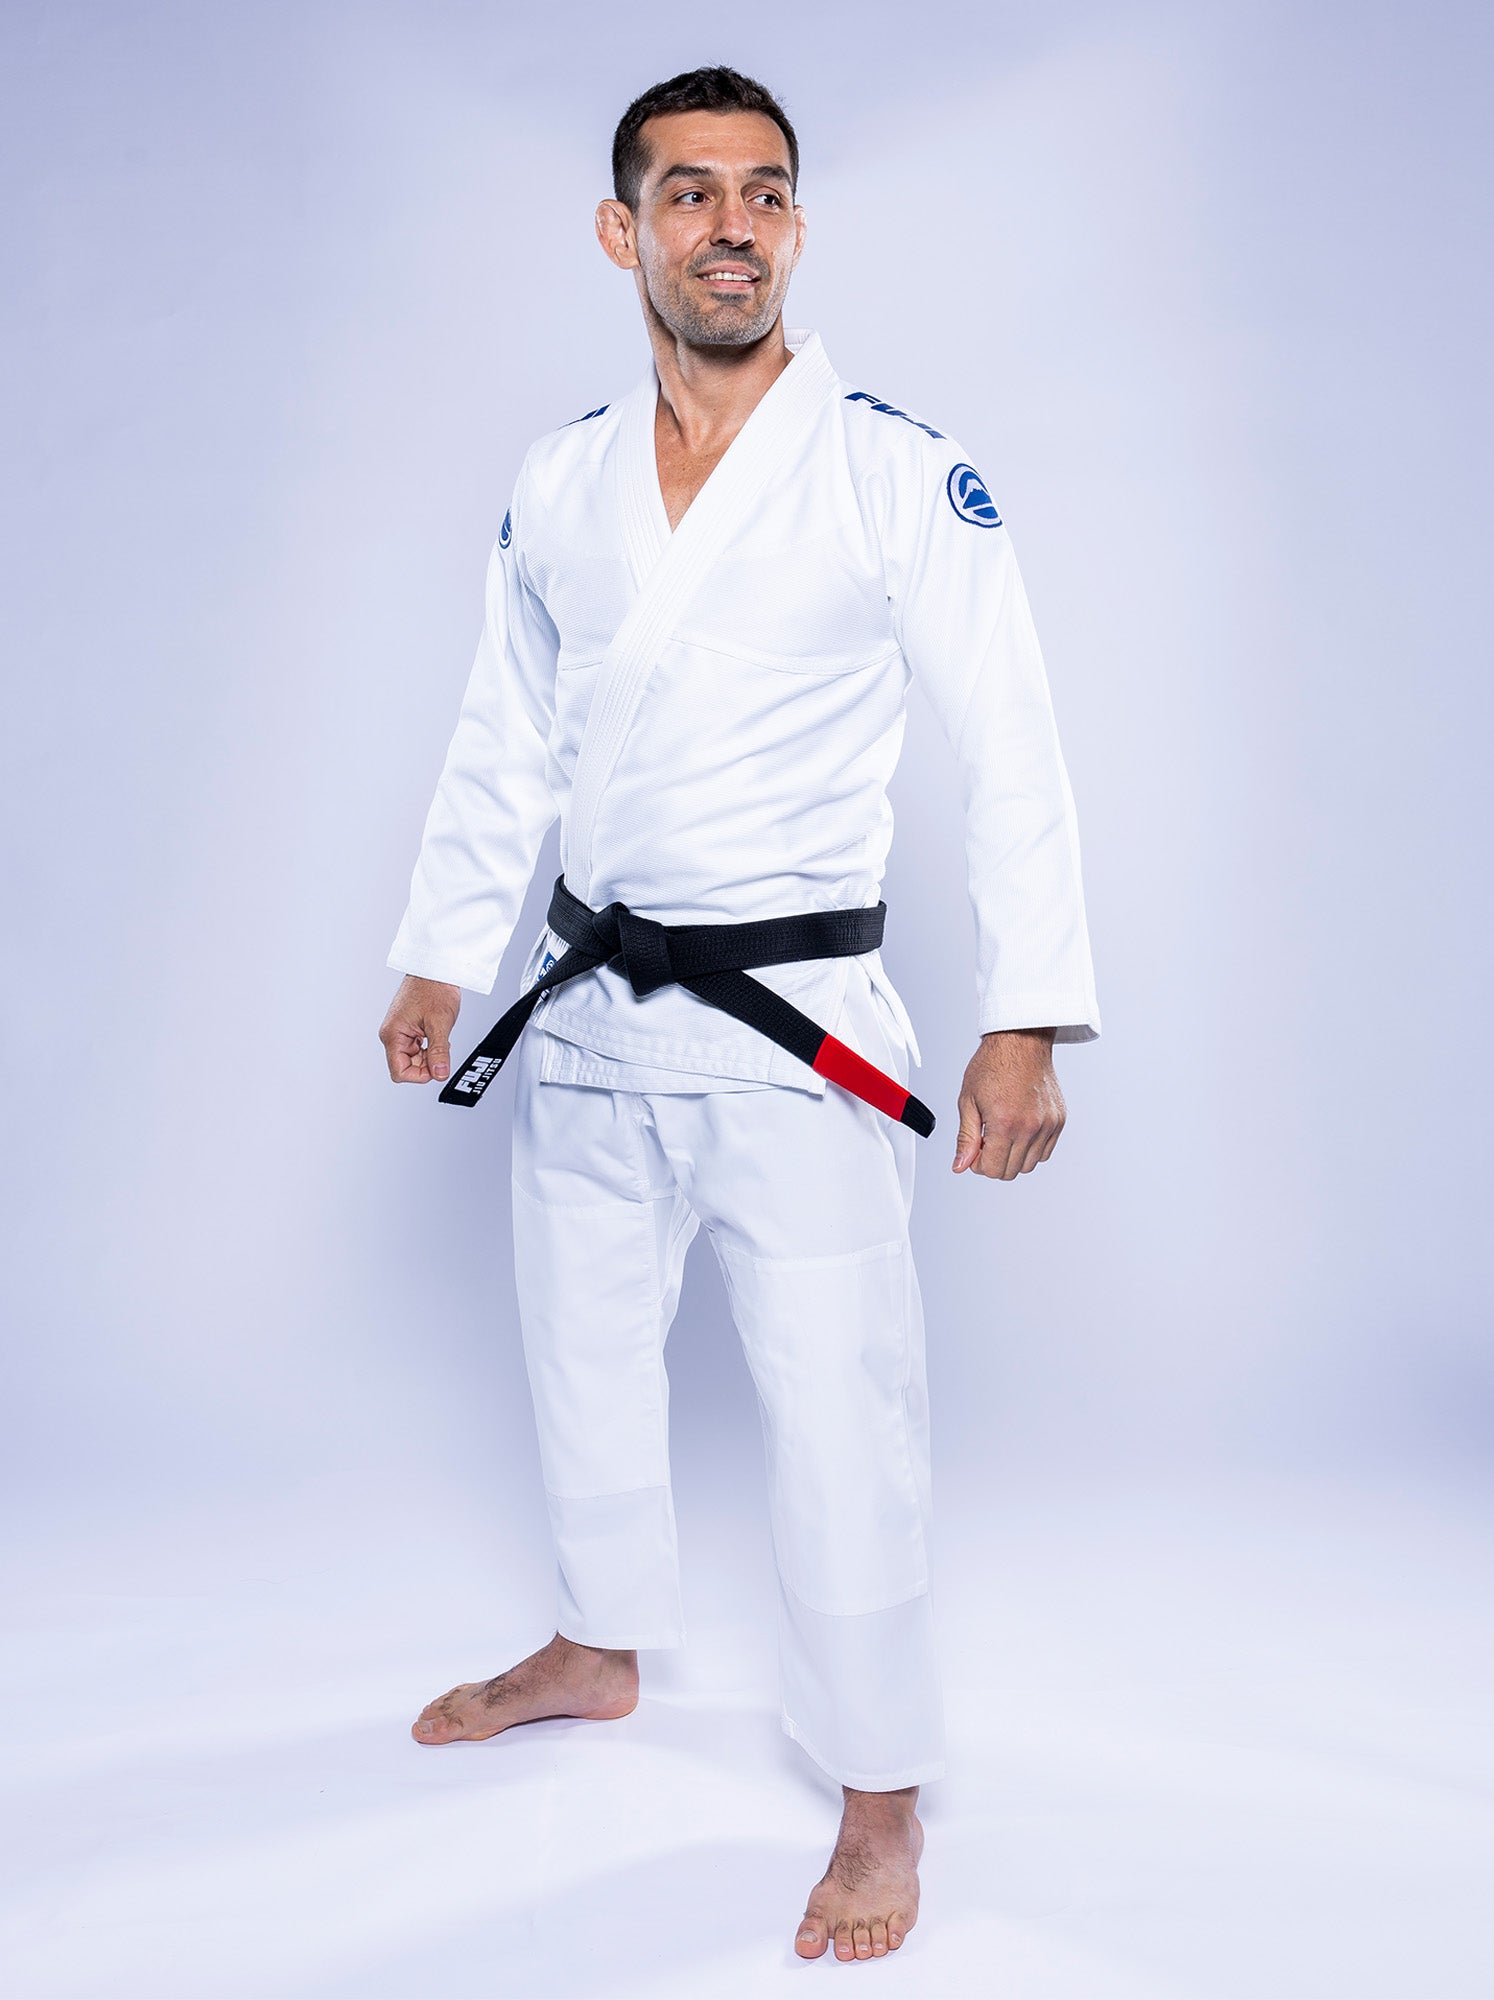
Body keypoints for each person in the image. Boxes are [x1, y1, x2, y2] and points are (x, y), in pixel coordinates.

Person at [378, 65, 1100, 1965]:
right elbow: (502, 728)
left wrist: (1027, 1013)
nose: (730, 226)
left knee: (842, 1412)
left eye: (764, 194)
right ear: (624, 232)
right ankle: (604, 1641)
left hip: (800, 1029)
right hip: (597, 1001)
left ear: (799, 228)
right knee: (581, 1343)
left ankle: (879, 1792)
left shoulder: (886, 466)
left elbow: (1010, 736)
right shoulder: (562, 475)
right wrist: (446, 945)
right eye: (687, 194)